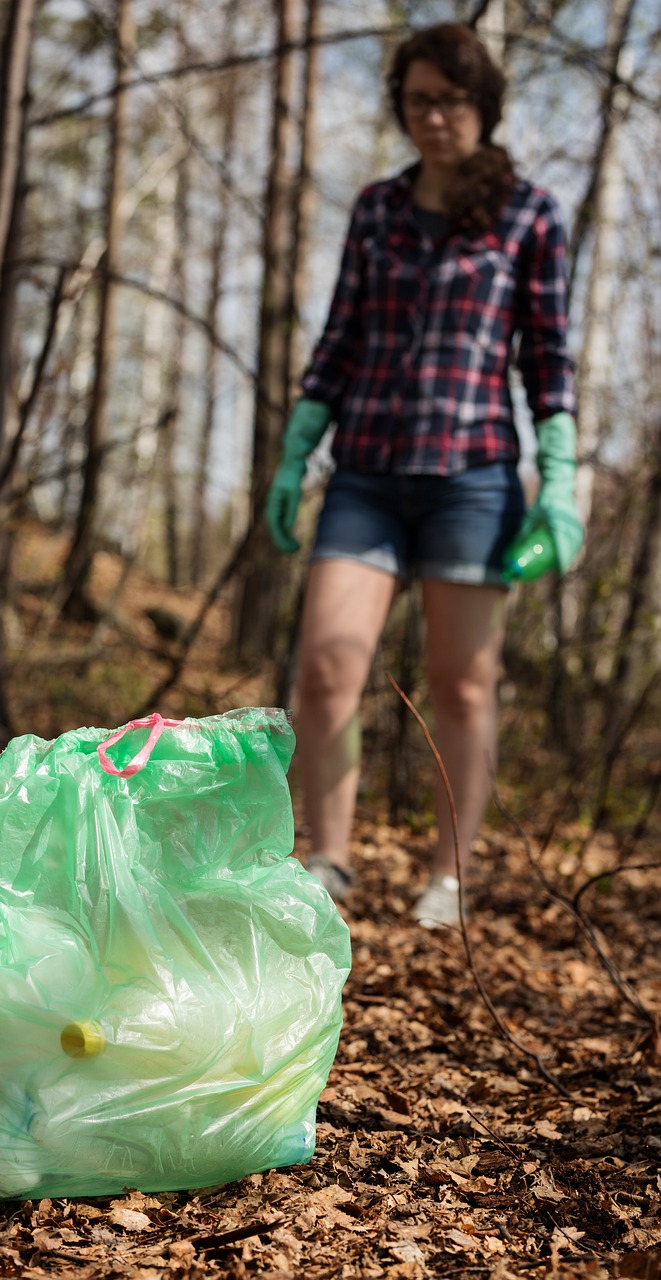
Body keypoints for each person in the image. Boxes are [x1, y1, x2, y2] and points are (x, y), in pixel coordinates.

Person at [265, 21, 583, 928]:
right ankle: (327, 858)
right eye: (417, 100)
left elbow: (549, 359)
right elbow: (340, 338)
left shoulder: (529, 213)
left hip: (472, 478)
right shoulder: (375, 208)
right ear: (401, 107)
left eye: (451, 98)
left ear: (482, 105)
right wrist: (297, 449)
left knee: (462, 682)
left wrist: (558, 478)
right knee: (326, 668)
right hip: (364, 471)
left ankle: (448, 877)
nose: (434, 116)